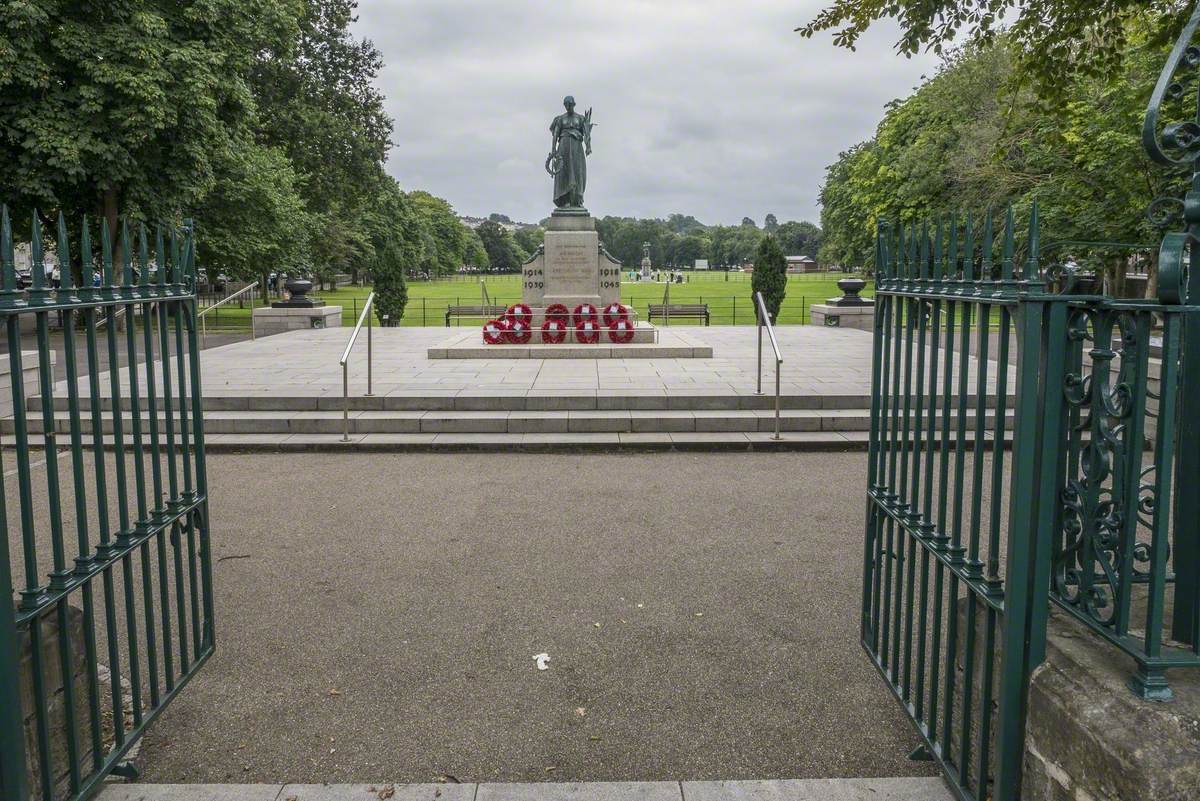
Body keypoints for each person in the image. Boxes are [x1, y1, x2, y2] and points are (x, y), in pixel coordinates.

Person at [546, 96, 593, 209]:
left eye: (570, 104)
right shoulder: (560, 119)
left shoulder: (580, 118)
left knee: (578, 172)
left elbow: (586, 134)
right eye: (566, 105)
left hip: (577, 147)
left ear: (574, 104)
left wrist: (588, 147)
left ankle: (577, 200)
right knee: (564, 173)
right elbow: (556, 134)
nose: (568, 107)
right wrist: (553, 151)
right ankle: (564, 200)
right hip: (564, 146)